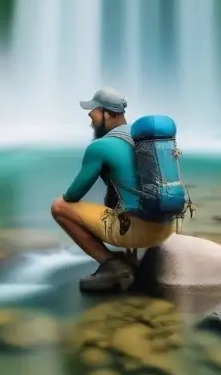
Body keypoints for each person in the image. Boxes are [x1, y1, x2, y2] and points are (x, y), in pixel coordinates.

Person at [51, 87, 176, 293]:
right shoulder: (146, 140)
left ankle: (111, 265)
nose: (91, 121)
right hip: (166, 228)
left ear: (109, 114)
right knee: (128, 198)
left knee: (59, 206)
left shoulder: (100, 146)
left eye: (94, 114)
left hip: (137, 232)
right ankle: (133, 260)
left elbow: (72, 195)